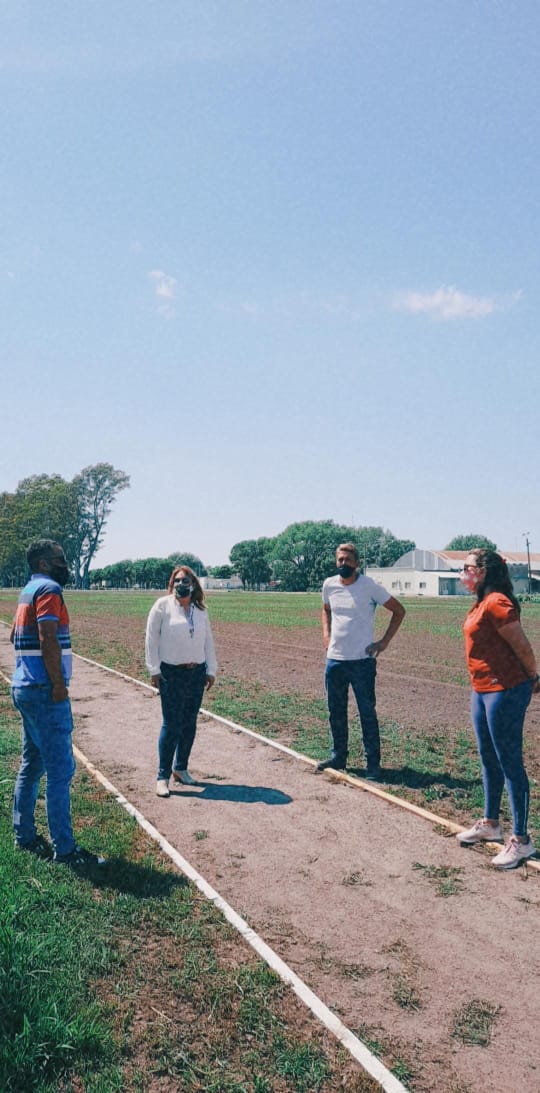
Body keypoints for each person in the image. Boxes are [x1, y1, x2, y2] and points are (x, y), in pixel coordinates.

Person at [11, 539, 105, 868]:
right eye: (60, 559)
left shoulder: (28, 591)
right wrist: (57, 684)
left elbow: (14, 636)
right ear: (44, 564)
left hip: (23, 686)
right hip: (43, 691)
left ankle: (23, 834)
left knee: (32, 765)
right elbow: (47, 636)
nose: (66, 564)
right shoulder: (49, 588)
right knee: (60, 772)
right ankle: (64, 849)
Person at [457, 549, 539, 869]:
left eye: (467, 568)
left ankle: (521, 840)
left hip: (505, 689)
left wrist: (533, 678)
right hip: (482, 689)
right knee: (487, 757)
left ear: (483, 571)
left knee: (509, 763)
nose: (463, 573)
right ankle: (491, 824)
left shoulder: (497, 602)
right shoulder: (481, 601)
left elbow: (523, 647)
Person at [318, 542, 405, 779]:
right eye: (340, 560)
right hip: (335, 660)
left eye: (347, 559)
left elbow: (399, 611)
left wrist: (383, 642)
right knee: (336, 711)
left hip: (362, 662)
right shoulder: (329, 585)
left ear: (356, 563)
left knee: (367, 713)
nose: (343, 564)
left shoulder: (370, 587)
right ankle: (339, 756)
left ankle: (373, 764)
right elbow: (325, 610)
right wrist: (326, 634)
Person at [145, 565, 217, 797]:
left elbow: (208, 641)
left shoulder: (200, 610)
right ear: (171, 584)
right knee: (172, 724)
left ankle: (181, 768)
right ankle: (162, 777)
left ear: (193, 584)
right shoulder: (162, 606)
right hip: (171, 674)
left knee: (189, 723)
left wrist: (211, 669)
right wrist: (154, 669)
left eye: (185, 580)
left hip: (196, 674)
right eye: (176, 581)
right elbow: (151, 639)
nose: (180, 584)